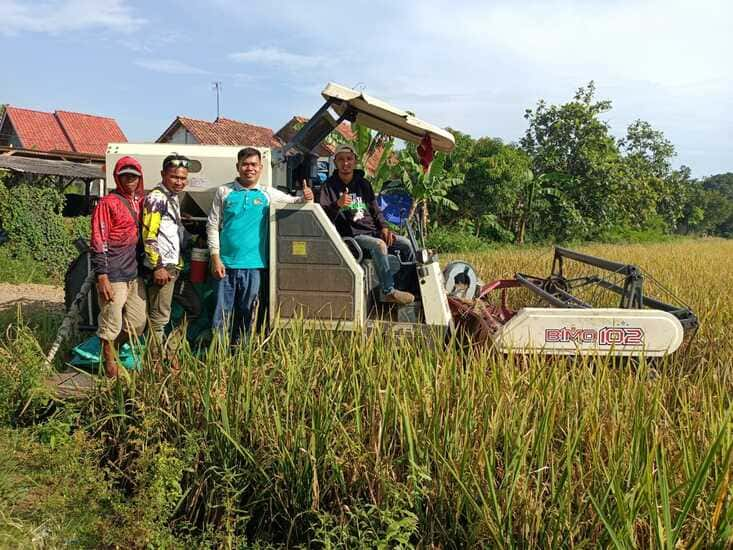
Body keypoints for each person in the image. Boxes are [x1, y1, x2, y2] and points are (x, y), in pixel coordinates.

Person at [206, 147, 314, 343]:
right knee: (221, 316)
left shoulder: (267, 194)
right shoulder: (224, 192)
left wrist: (306, 197)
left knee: (247, 316)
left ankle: (240, 358)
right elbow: (212, 226)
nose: (249, 168)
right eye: (245, 164)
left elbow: (295, 202)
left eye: (254, 165)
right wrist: (215, 258)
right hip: (226, 266)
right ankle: (218, 360)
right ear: (237, 167)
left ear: (260, 168)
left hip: (255, 266)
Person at [319, 144, 415, 305]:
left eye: (349, 159)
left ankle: (407, 288)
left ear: (355, 161)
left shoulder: (363, 184)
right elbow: (322, 218)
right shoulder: (328, 187)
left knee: (406, 245)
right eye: (341, 159)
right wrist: (338, 204)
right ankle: (388, 291)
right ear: (335, 162)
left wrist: (384, 227)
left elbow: (376, 210)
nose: (345, 163)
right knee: (380, 245)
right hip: (352, 238)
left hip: (373, 232)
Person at [90, 156, 147, 377]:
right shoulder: (108, 203)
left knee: (138, 323)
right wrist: (101, 275)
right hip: (113, 272)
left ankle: (112, 349)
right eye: (125, 176)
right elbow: (98, 239)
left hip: (133, 272)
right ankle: (110, 368)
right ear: (118, 178)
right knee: (110, 321)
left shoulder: (140, 202)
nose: (130, 180)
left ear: (139, 178)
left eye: (134, 176)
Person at [141, 154, 189, 356]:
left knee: (191, 309)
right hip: (163, 267)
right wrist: (157, 267)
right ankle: (155, 364)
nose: (179, 182)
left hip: (173, 265)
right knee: (159, 318)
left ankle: (169, 352)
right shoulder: (156, 198)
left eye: (183, 178)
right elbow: (148, 235)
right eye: (174, 177)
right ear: (163, 175)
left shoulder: (172, 198)